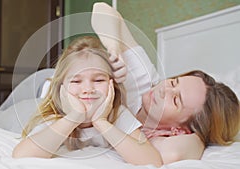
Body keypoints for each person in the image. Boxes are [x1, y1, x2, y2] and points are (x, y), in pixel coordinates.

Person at [91, 2, 240, 166]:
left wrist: (199, 139)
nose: (164, 89)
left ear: (181, 130)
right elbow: (102, 9)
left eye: (176, 100)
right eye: (174, 82)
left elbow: (173, 154)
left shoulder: (152, 142)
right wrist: (114, 48)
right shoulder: (144, 78)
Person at [12, 36, 163, 166]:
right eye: (77, 81)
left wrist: (101, 122)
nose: (88, 89)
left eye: (98, 80)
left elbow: (152, 161)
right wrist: (73, 117)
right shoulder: (54, 115)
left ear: (112, 85)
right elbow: (21, 155)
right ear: (62, 88)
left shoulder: (117, 114)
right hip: (35, 94)